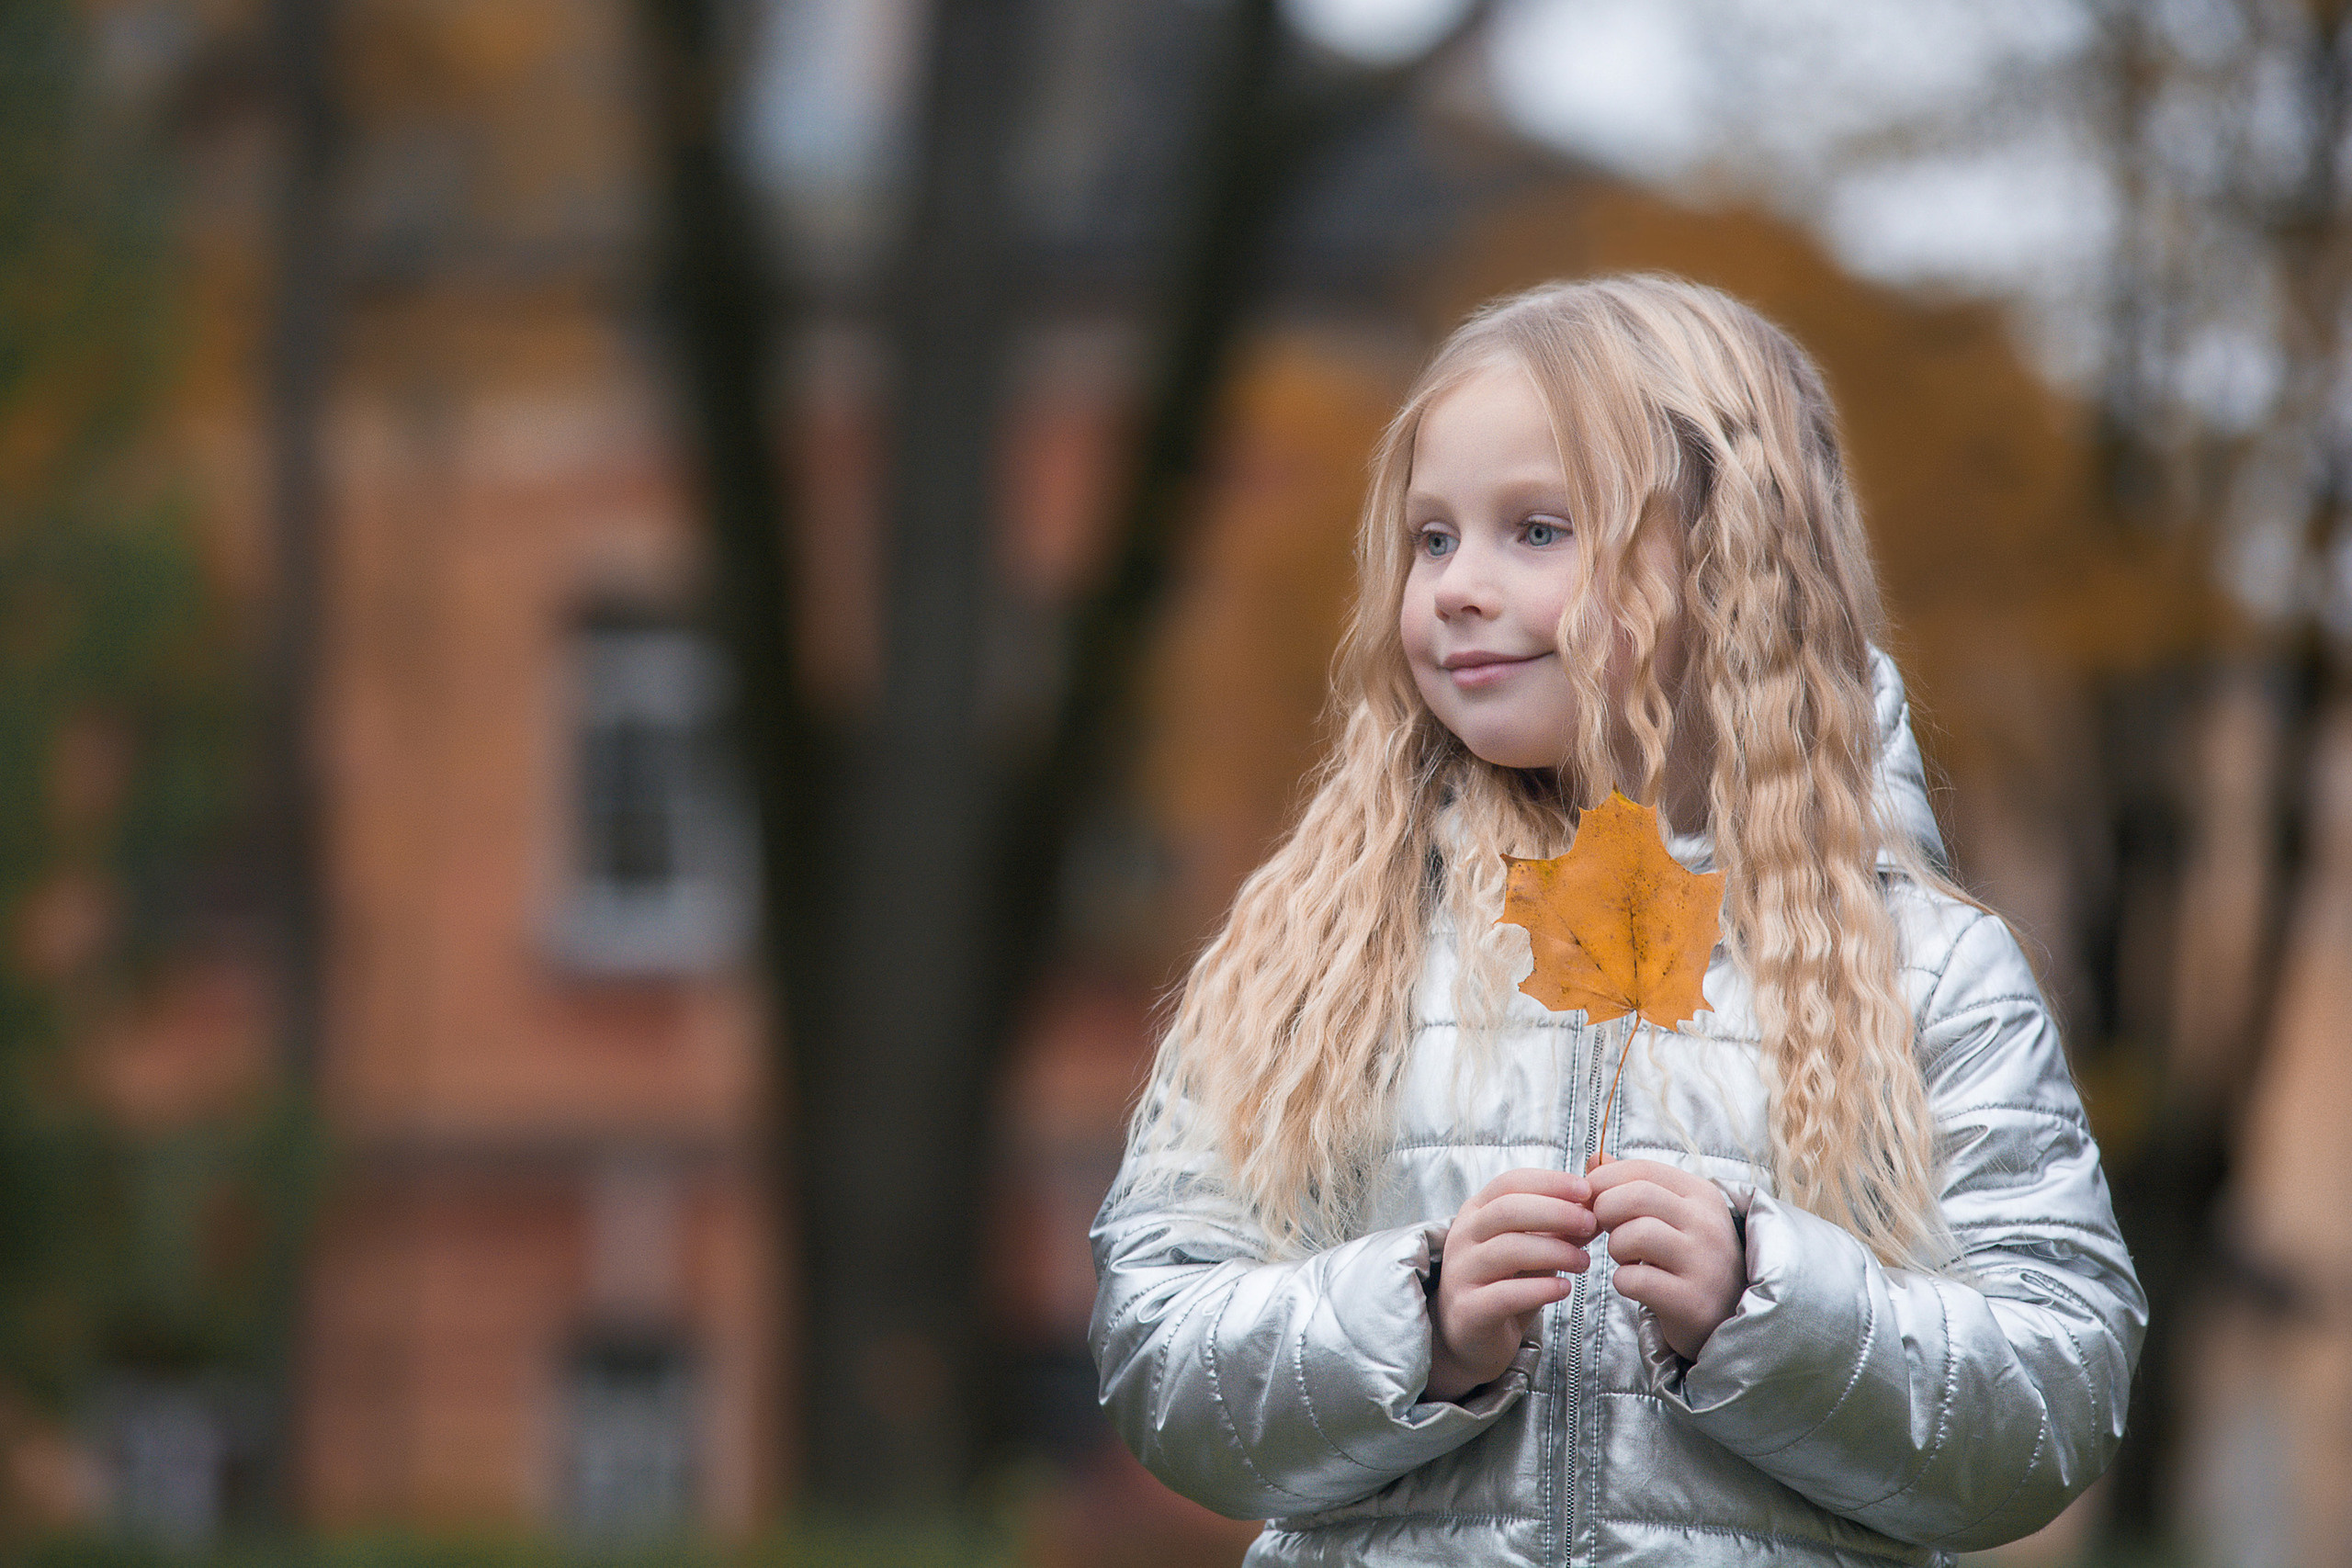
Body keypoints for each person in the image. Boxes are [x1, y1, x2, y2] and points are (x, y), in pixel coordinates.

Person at [1089, 276, 2146, 1566]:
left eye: (1537, 530)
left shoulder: (1921, 970)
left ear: (1729, 561)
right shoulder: (1326, 946)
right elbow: (1158, 1347)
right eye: (1431, 538)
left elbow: (2056, 1395)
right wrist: (1412, 1322)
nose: (1460, 586)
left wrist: (1767, 1307)